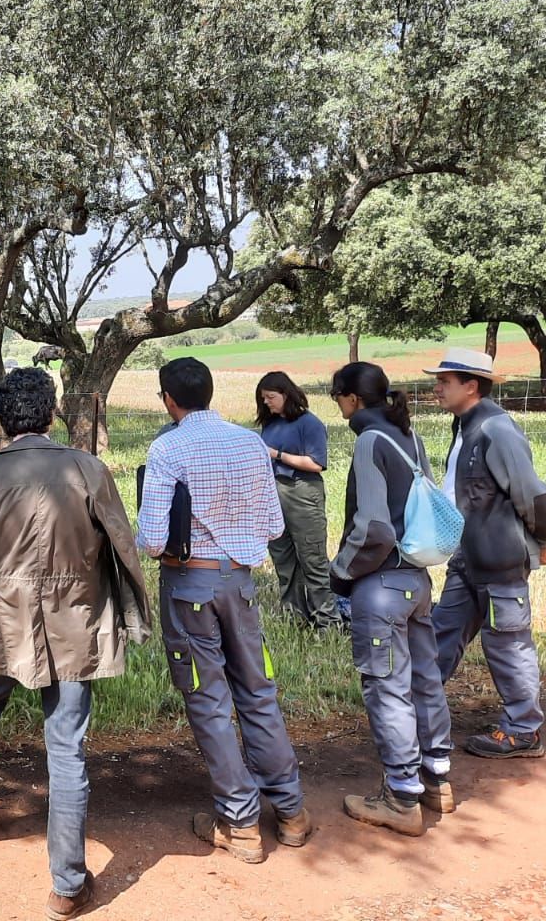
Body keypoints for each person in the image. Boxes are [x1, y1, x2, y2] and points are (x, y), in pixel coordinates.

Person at [0, 369, 149, 921]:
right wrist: (136, 614)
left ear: (2, 418)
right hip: (75, 619)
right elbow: (122, 544)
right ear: (51, 414)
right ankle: (68, 885)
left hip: (1, 619)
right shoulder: (87, 468)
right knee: (67, 744)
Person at [137, 357, 312, 864]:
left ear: (169, 399)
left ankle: (240, 824)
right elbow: (274, 526)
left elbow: (151, 540)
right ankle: (292, 812)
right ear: (210, 393)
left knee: (208, 701)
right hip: (240, 583)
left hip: (189, 584)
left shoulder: (168, 447)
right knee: (258, 693)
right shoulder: (250, 443)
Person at [327, 362, 454, 835]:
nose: (337, 406)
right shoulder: (410, 437)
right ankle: (437, 779)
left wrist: (340, 573)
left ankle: (401, 798)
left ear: (352, 400)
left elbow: (375, 527)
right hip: (418, 581)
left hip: (382, 586)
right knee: (425, 680)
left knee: (388, 689)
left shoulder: (368, 442)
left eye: (337, 397)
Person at [426, 347, 546, 760]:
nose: (437, 387)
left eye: (445, 381)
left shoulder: (496, 430)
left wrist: (545, 540)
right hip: (466, 559)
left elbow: (531, 494)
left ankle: (523, 731)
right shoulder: (464, 426)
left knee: (507, 644)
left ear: (471, 386)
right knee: (441, 633)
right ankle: (415, 711)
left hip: (500, 562)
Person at [255, 372, 339, 629]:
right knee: (283, 557)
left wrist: (276, 454)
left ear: (286, 394)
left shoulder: (308, 423)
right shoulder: (270, 424)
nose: (267, 402)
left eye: (271, 397)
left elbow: (316, 463)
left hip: (302, 492)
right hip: (273, 492)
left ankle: (326, 620)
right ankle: (295, 616)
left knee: (312, 558)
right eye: (263, 398)